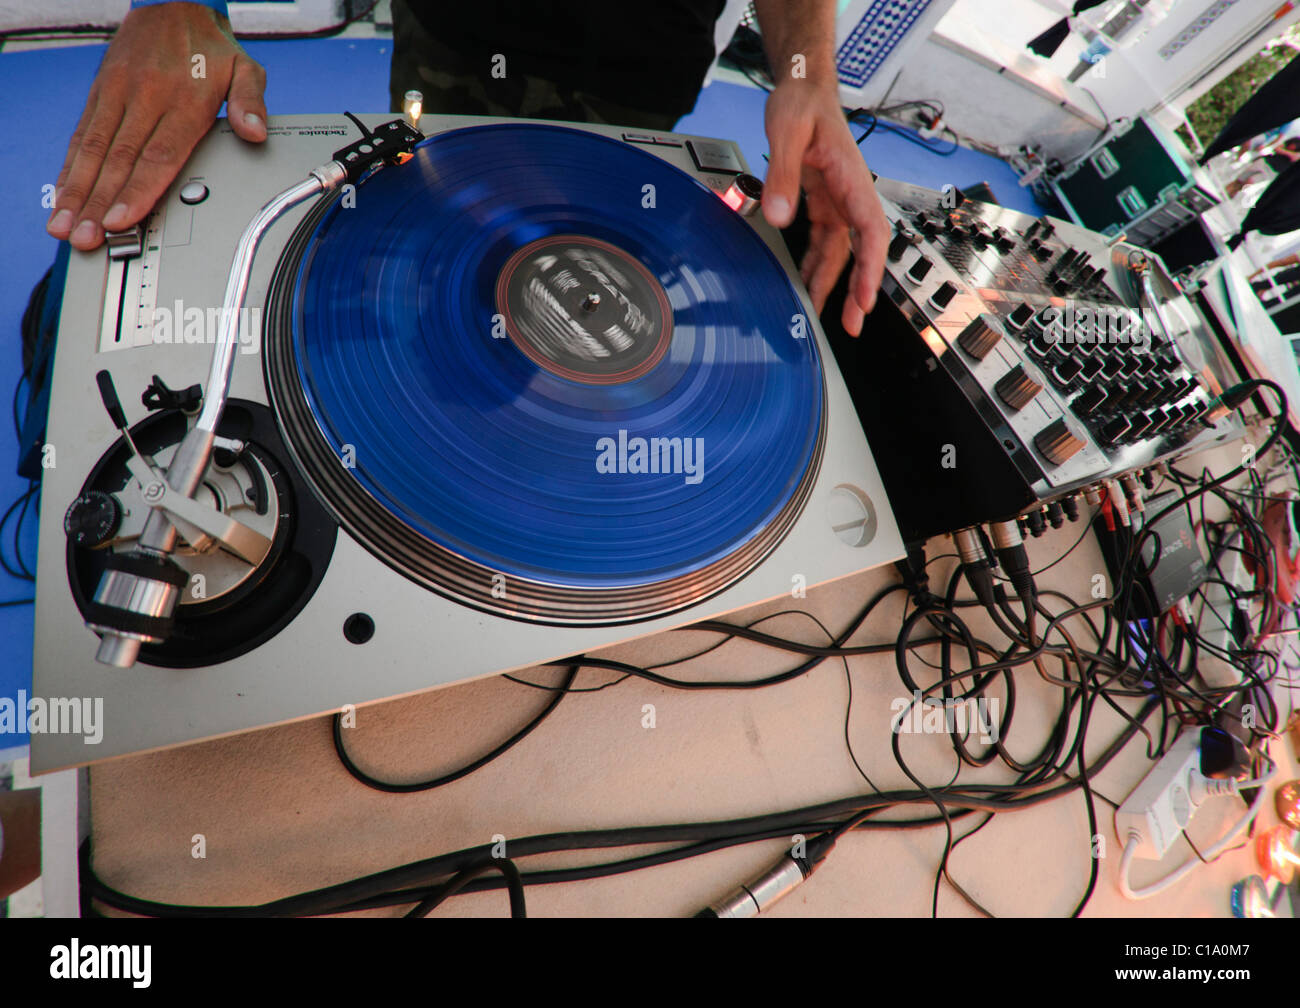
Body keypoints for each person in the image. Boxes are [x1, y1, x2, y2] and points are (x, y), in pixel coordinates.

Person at [45, 0, 888, 335]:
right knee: (428, 220)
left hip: (641, 80)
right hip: (458, 32)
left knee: (571, 249)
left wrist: (809, 71)